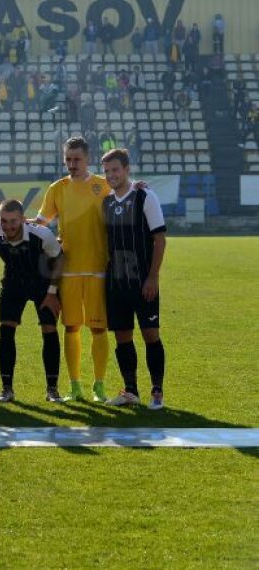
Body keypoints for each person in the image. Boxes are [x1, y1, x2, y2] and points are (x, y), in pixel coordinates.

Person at [36, 136, 113, 402]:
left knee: (98, 329)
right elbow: (42, 224)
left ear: (87, 159)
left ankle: (99, 385)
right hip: (67, 271)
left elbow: (124, 200)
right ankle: (75, 386)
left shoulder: (102, 186)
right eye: (68, 159)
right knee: (71, 327)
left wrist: (138, 186)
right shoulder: (57, 189)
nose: (72, 164)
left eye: (76, 159)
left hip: (97, 270)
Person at [100, 149, 167, 409]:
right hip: (116, 282)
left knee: (151, 334)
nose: (111, 175)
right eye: (106, 171)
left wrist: (153, 277)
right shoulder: (106, 202)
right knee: (122, 338)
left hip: (143, 282)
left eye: (115, 170)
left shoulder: (144, 196)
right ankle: (131, 391)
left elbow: (160, 239)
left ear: (126, 169)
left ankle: (157, 392)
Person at [0, 199, 64, 403]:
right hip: (13, 283)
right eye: (4, 220)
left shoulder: (42, 234)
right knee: (6, 329)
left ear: (22, 219)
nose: (8, 226)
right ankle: (6, 389)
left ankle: (52, 389)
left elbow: (59, 258)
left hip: (42, 284)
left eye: (13, 221)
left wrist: (52, 292)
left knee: (49, 329)